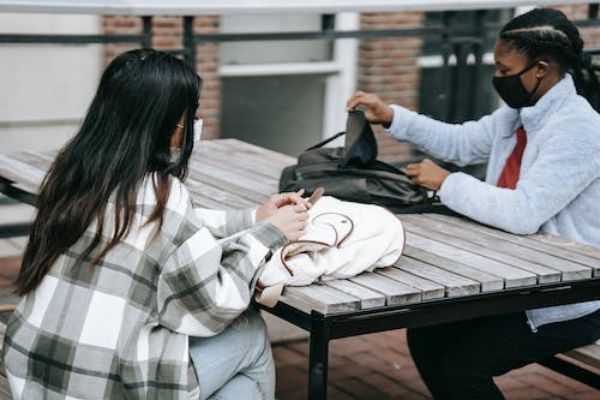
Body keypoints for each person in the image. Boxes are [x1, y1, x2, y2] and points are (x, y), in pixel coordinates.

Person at [2, 49, 310, 399]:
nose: (193, 123)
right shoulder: (163, 197)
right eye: (190, 112)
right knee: (249, 331)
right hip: (107, 389)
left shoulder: (75, 173)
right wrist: (269, 235)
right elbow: (211, 308)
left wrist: (253, 218)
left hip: (31, 371)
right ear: (167, 122)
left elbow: (173, 225)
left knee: (236, 386)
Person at [347, 8, 600, 399]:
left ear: (540, 69)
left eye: (504, 69)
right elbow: (461, 143)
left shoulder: (579, 130)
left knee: (462, 368)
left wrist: (447, 183)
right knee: (426, 333)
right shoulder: (519, 115)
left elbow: (523, 213)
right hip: (518, 278)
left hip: (570, 296)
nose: (497, 77)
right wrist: (392, 117)